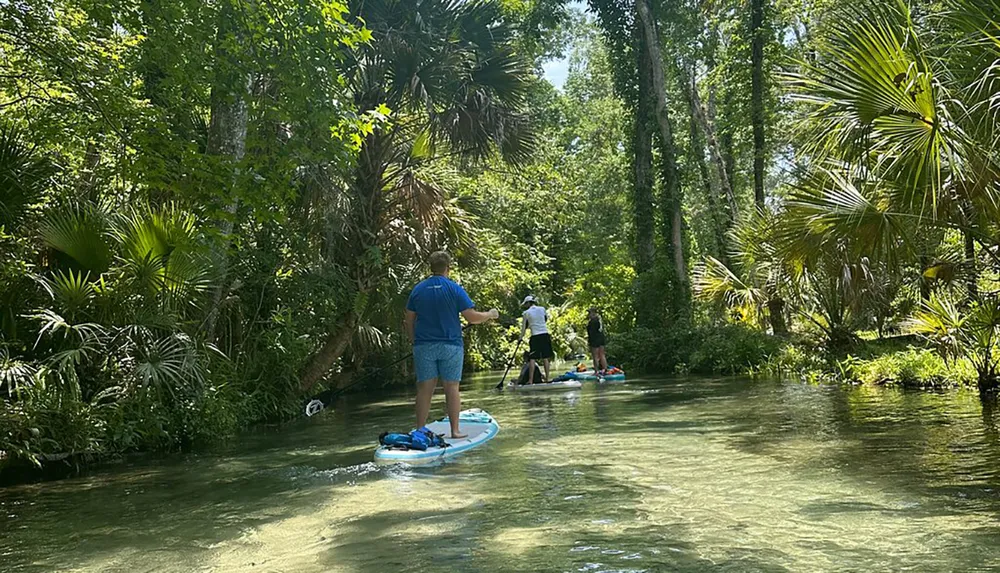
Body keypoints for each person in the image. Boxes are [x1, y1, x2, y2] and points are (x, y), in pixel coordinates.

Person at [404, 251, 498, 438]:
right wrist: (489, 314)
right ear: (448, 268)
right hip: (451, 346)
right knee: (452, 387)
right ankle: (455, 431)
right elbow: (471, 317)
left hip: (424, 346)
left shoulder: (418, 289)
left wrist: (414, 340)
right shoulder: (454, 288)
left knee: (424, 388)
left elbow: (408, 320)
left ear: (431, 267)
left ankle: (420, 429)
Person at [520, 295, 553, 384]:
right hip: (545, 335)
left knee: (532, 358)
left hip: (535, 336)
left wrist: (520, 338)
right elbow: (545, 319)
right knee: (545, 357)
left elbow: (523, 328)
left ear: (528, 303)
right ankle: (547, 378)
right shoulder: (542, 309)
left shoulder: (526, 313)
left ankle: (530, 380)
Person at [587, 307, 608, 374]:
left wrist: (589, 342)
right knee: (602, 355)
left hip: (594, 340)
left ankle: (596, 371)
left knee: (595, 356)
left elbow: (591, 333)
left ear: (593, 313)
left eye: (589, 313)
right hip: (601, 339)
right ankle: (605, 369)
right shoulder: (599, 320)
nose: (588, 315)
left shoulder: (592, 321)